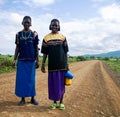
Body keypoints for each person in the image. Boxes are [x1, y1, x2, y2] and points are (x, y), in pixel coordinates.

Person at [41, 19, 69, 110]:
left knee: (61, 85)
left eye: (56, 25)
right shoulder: (46, 38)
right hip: (52, 66)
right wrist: (43, 64)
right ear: (50, 26)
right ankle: (54, 102)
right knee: (53, 85)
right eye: (53, 25)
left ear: (59, 26)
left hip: (62, 65)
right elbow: (45, 53)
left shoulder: (63, 37)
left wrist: (67, 64)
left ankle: (61, 102)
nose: (54, 26)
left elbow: (65, 52)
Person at [13, 16, 39, 106]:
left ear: (31, 23)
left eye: (28, 22)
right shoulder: (18, 34)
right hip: (21, 60)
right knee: (22, 80)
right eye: (25, 22)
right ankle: (22, 99)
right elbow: (17, 48)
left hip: (31, 60)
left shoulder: (34, 34)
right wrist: (14, 59)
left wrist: (38, 60)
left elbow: (36, 48)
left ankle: (32, 98)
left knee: (31, 80)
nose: (27, 24)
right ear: (22, 23)